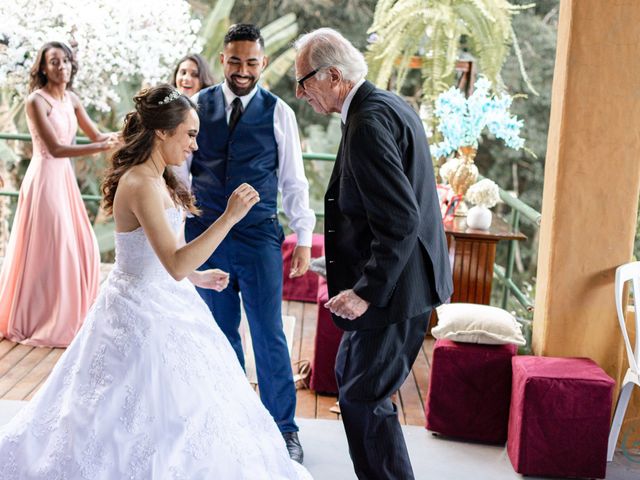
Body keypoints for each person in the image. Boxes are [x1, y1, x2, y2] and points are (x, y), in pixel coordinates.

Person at [0, 84, 313, 480]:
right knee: (129, 408)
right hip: (137, 311)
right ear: (163, 132)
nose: (195, 146)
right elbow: (175, 262)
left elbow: (162, 256)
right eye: (191, 134)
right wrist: (230, 217)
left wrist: (199, 275)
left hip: (166, 298)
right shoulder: (140, 184)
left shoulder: (158, 178)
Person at [294, 28, 453, 479]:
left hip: (396, 289)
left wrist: (365, 291)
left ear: (333, 75)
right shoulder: (385, 104)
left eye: (304, 81)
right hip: (404, 281)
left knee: (363, 396)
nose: (301, 92)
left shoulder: (367, 122)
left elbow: (400, 218)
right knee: (353, 379)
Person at [175, 24, 315, 463]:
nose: (242, 70)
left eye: (251, 62)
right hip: (205, 237)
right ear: (222, 59)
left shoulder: (279, 113)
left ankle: (283, 429)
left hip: (258, 239)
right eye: (235, 61)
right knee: (218, 335)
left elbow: (294, 182)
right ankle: (232, 421)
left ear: (264, 64)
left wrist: (305, 239)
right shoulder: (196, 105)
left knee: (268, 333)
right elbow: (179, 174)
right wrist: (177, 231)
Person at [0, 41, 119, 347]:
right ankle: (42, 317)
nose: (61, 66)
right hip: (45, 177)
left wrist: (124, 137)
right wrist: (101, 147)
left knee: (84, 245)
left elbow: (97, 135)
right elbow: (55, 148)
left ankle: (67, 313)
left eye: (65, 61)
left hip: (64, 179)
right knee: (55, 247)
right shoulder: (35, 102)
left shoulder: (72, 99)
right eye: (54, 61)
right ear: (42, 67)